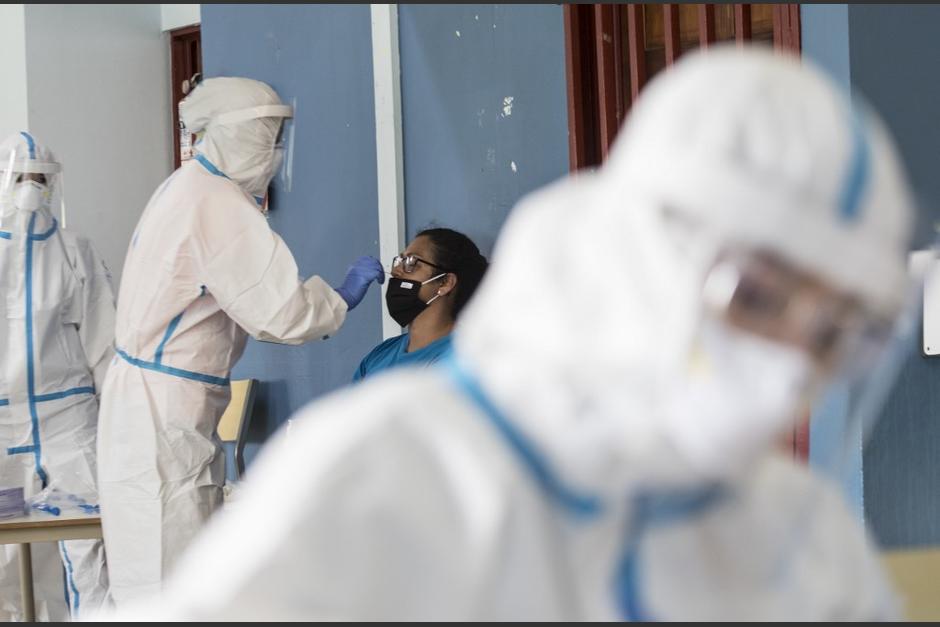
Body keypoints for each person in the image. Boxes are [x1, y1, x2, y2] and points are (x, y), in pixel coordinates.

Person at [110, 48, 915, 620]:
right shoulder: (396, 472)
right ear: (645, 254)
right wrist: (331, 302)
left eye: (842, 332)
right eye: (756, 296)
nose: (787, 371)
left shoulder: (799, 537)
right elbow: (280, 312)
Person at [95, 77, 384, 605]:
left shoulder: (186, 187)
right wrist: (339, 297)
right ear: (232, 135)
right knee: (169, 575)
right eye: (266, 135)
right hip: (162, 415)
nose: (273, 152)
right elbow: (280, 311)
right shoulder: (215, 202)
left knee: (167, 568)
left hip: (156, 406)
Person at [0, 132, 115, 620]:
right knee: (6, 557)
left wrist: (118, 421)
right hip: (4, 426)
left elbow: (105, 340)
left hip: (68, 418)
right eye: (22, 178)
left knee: (90, 545)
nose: (32, 189)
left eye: (40, 179)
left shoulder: (74, 250)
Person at [354, 228, 488, 381]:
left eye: (411, 262)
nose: (396, 271)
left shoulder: (466, 358)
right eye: (399, 261)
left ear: (445, 283)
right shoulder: (379, 356)